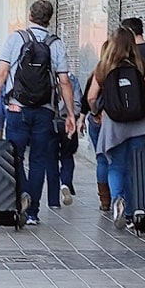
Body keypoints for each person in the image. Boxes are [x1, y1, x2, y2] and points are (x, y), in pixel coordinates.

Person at [0, 0, 77, 226]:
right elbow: (64, 82)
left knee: (13, 155)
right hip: (45, 110)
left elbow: (2, 74)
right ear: (50, 19)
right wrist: (71, 113)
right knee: (39, 160)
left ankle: (22, 193)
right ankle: (33, 211)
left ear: (30, 16)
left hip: (16, 108)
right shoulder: (56, 44)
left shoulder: (16, 39)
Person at [87, 26, 145, 230]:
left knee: (116, 165)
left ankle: (117, 199)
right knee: (132, 168)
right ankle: (130, 213)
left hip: (114, 125)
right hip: (139, 124)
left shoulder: (104, 66)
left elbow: (91, 97)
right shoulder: (142, 65)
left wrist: (97, 112)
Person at [79, 40, 111, 211]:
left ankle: (104, 200)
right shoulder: (116, 72)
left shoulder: (96, 73)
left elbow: (88, 97)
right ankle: (118, 196)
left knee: (101, 159)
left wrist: (91, 114)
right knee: (116, 159)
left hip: (96, 120)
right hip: (114, 121)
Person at [55, 72, 82, 207]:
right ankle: (65, 183)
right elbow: (78, 103)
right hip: (68, 121)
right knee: (67, 156)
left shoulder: (43, 75)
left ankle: (53, 196)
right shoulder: (71, 79)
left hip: (50, 122)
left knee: (50, 158)